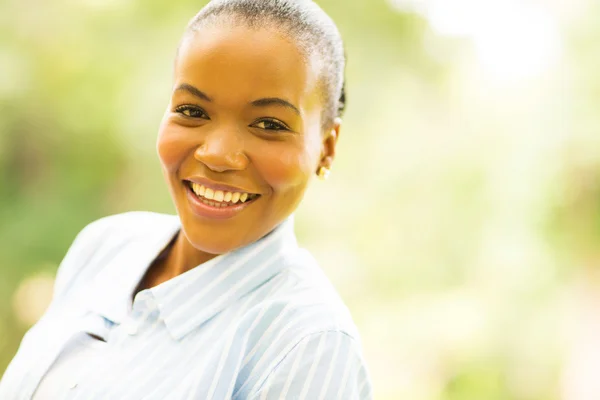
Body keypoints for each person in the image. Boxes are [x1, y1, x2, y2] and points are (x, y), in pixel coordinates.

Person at [0, 0, 373, 398]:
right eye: (193, 110)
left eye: (269, 124)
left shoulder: (307, 346)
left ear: (327, 147)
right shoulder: (105, 246)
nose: (216, 154)